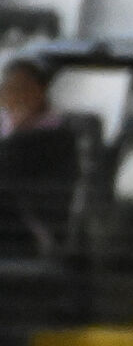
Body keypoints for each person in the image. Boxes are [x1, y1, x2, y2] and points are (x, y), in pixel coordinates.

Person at [0, 57, 78, 258]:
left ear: (40, 92)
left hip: (30, 231)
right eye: (10, 89)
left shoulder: (57, 137)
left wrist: (18, 131)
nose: (16, 96)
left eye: (23, 88)